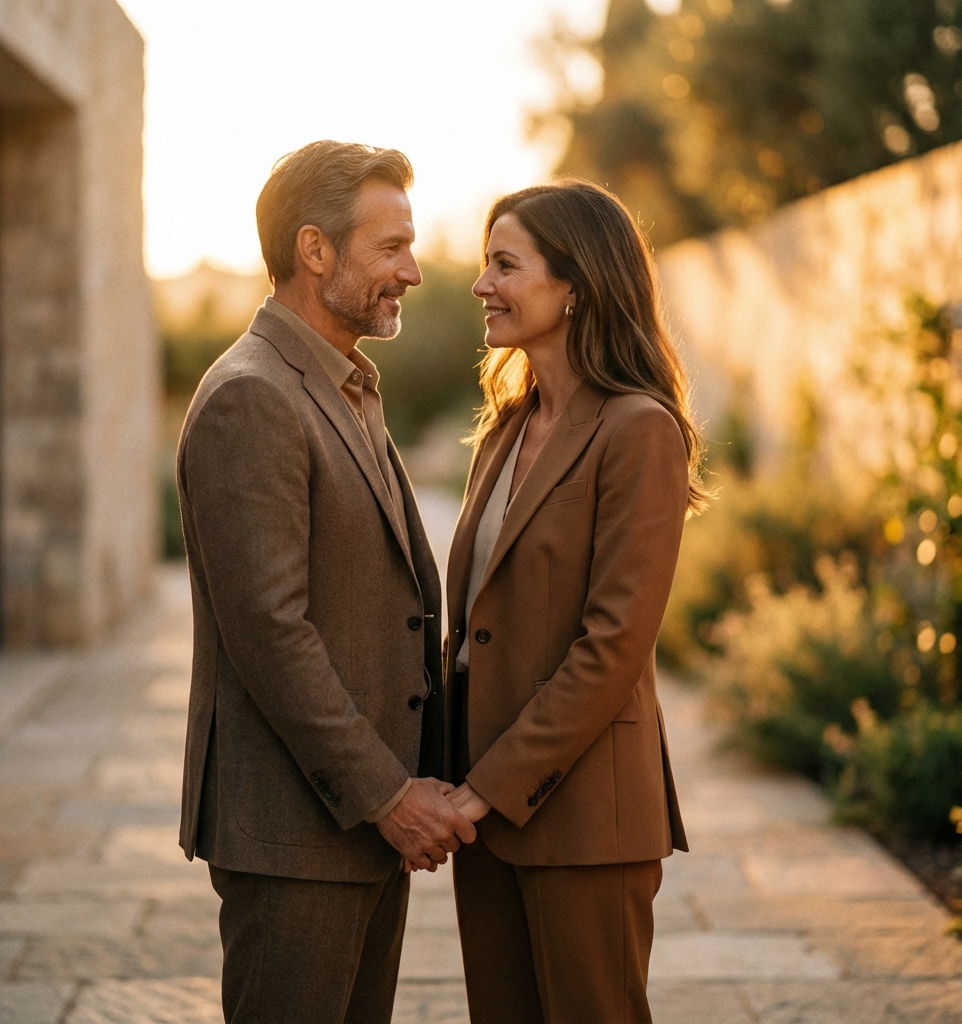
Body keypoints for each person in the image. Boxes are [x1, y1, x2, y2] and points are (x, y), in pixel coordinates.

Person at [176, 140, 476, 1024]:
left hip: (355, 834)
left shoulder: (344, 384)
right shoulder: (253, 396)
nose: (413, 272)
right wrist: (388, 795)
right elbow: (272, 633)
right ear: (315, 251)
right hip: (296, 837)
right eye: (390, 248)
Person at [443, 180, 708, 1024]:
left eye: (505, 265)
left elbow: (612, 645)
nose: (483, 285)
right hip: (483, 816)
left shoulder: (639, 431)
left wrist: (485, 788)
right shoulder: (507, 425)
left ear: (575, 286)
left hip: (586, 817)